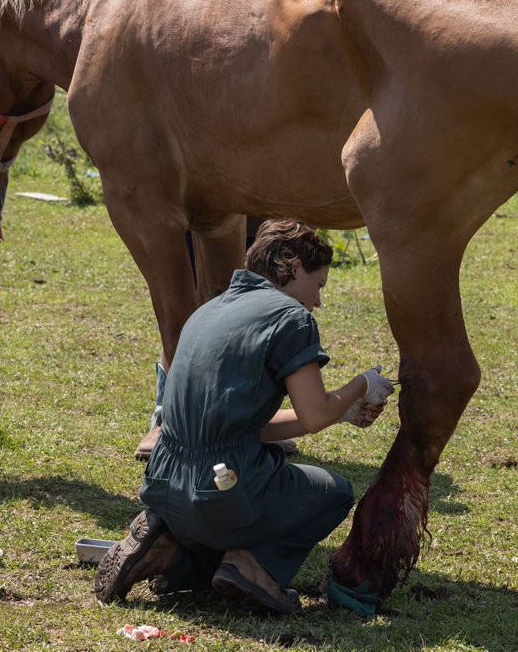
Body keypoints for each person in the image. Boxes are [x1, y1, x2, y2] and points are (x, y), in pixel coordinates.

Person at [95, 219, 394, 615]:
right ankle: (254, 568)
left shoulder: (209, 310)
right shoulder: (290, 319)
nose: (317, 301)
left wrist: (340, 413)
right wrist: (362, 385)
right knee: (334, 493)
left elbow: (249, 422)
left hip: (163, 482)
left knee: (223, 514)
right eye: (318, 285)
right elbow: (316, 413)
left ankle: (167, 550)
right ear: (291, 264)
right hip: (220, 490)